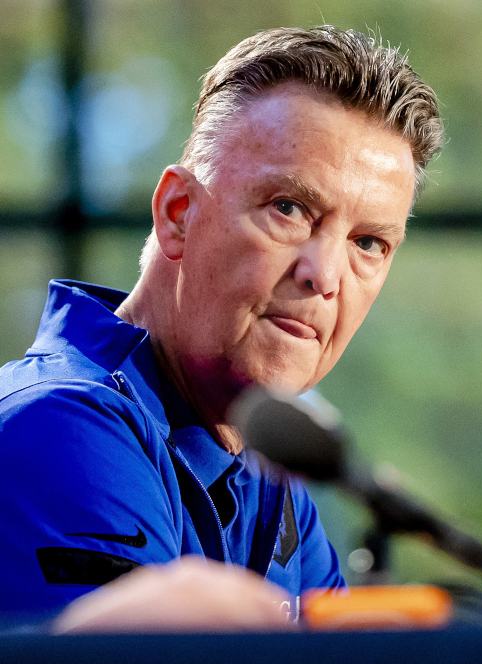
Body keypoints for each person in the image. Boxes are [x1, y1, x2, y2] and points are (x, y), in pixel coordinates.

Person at [0, 26, 443, 631]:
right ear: (178, 214)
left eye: (368, 242)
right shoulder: (61, 427)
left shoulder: (274, 487)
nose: (325, 276)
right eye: (289, 209)